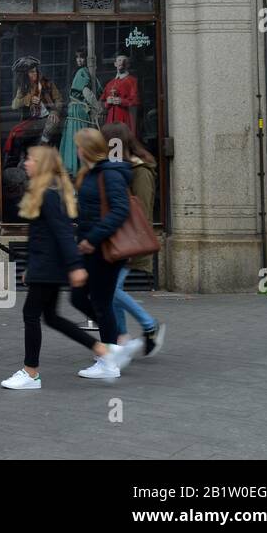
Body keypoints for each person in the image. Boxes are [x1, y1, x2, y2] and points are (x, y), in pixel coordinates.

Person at [0, 146, 135, 389]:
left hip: (49, 267)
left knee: (31, 315)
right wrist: (30, 266)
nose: (26, 163)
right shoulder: (44, 191)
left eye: (30, 159)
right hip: (45, 266)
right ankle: (102, 349)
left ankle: (31, 373)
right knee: (51, 317)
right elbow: (41, 235)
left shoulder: (49, 195)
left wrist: (75, 266)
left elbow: (63, 233)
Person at [70, 128, 143, 379]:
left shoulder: (110, 173)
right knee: (78, 298)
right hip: (90, 247)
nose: (76, 151)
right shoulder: (90, 173)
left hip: (105, 249)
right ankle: (117, 342)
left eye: (79, 146)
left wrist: (93, 237)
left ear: (87, 148)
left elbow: (119, 210)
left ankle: (110, 360)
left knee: (101, 302)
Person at [101, 122, 166, 357]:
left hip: (131, 242)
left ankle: (149, 325)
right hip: (118, 241)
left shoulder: (141, 171)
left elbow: (142, 211)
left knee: (111, 290)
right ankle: (121, 339)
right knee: (111, 290)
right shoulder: (122, 168)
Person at [60, 49, 100, 175]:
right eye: (77, 57)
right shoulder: (83, 72)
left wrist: (96, 106)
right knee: (81, 140)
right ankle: (80, 169)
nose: (79, 60)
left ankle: (78, 169)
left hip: (78, 110)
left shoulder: (83, 72)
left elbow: (87, 92)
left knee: (78, 140)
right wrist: (98, 107)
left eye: (82, 57)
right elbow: (86, 92)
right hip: (79, 110)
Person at [101, 54, 139, 128]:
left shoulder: (132, 81)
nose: (122, 62)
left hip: (125, 118)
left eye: (125, 61)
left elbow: (136, 101)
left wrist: (122, 101)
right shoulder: (110, 84)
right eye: (119, 60)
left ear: (128, 65)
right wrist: (107, 102)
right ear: (115, 64)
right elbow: (102, 103)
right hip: (110, 120)